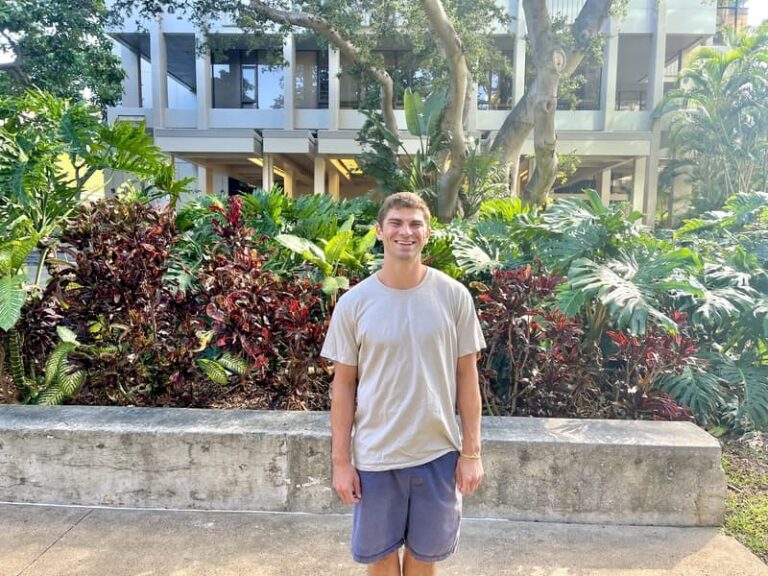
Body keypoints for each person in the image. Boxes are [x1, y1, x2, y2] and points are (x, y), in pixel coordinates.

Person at [321, 192, 486, 576]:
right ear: (380, 231)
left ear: (428, 232)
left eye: (415, 224)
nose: (405, 232)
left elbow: (467, 376)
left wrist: (472, 453)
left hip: (437, 454)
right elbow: (343, 387)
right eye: (395, 223)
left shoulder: (454, 297)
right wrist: (341, 462)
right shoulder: (354, 303)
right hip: (375, 458)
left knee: (424, 558)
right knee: (378, 558)